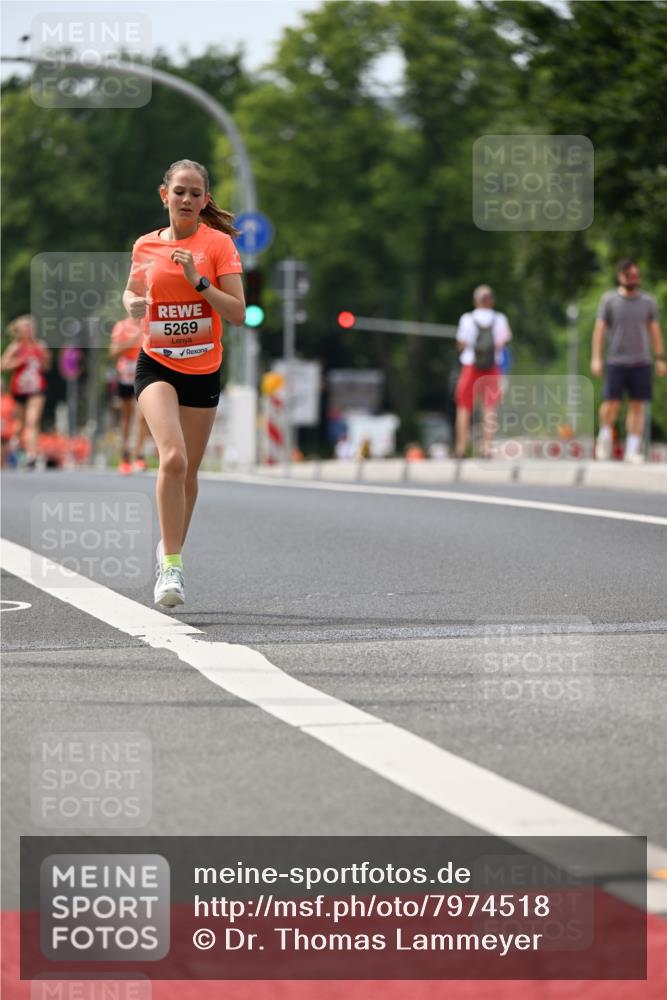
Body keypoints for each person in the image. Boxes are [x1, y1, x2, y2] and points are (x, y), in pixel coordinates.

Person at [122, 159, 245, 607]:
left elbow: (237, 313)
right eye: (179, 191)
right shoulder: (145, 246)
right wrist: (133, 304)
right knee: (171, 457)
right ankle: (171, 567)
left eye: (195, 193)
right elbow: (133, 290)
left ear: (205, 200)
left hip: (203, 369)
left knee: (189, 471)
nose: (187, 200)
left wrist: (199, 282)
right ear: (164, 195)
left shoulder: (218, 245)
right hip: (156, 364)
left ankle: (168, 548)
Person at [591, 258, 665, 463]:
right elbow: (599, 331)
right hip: (616, 359)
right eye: (629, 275)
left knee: (637, 405)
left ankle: (632, 448)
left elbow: (655, 331)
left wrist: (660, 358)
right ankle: (605, 435)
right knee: (611, 403)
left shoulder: (648, 302)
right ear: (620, 276)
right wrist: (596, 358)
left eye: (636, 276)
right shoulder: (609, 300)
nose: (633, 279)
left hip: (641, 360)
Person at [454, 285, 512, 458]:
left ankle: (461, 448)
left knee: (464, 407)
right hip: (492, 366)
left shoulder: (467, 319)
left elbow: (461, 343)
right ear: (492, 301)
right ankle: (486, 448)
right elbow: (502, 343)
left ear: (475, 301)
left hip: (470, 365)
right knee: (490, 408)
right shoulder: (500, 319)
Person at [0, 314, 52, 469]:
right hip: (20, 388)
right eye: (26, 328)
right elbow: (3, 365)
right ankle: (13, 443)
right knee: (21, 424)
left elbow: (46, 368)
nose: (29, 331)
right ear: (20, 331)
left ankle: (32, 454)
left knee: (33, 420)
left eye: (31, 328)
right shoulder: (15, 347)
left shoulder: (40, 346)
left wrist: (45, 359)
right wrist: (17, 362)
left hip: (37, 387)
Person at [109, 316, 151, 474]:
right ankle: (125, 456)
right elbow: (113, 351)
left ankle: (139, 455)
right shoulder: (121, 326)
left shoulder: (150, 322)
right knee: (126, 417)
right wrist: (132, 340)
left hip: (144, 372)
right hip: (125, 375)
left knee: (143, 416)